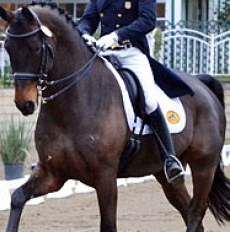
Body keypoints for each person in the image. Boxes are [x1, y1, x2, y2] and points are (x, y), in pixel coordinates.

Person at [78, 0, 184, 184]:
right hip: (104, 52)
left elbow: (148, 20)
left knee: (150, 101)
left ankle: (169, 157)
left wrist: (116, 36)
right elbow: (87, 19)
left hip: (131, 53)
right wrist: (84, 33)